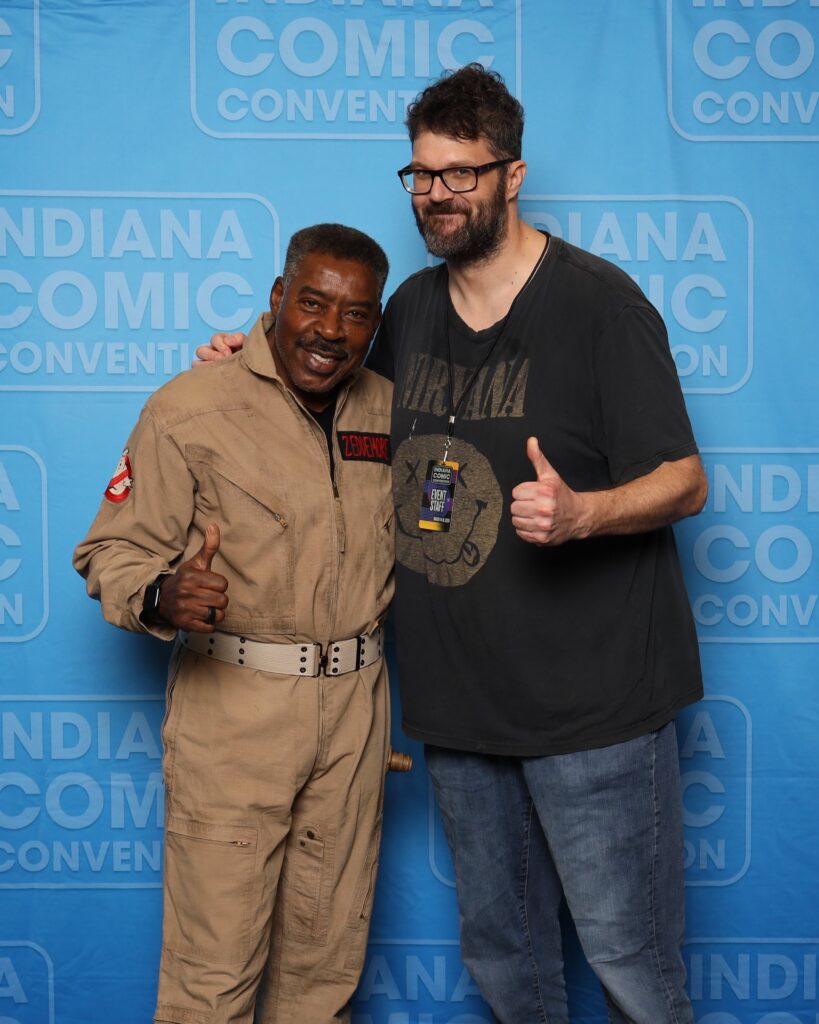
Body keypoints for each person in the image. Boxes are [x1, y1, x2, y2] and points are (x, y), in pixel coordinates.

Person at [200, 66, 708, 1024]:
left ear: (512, 176)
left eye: (461, 173)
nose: (437, 195)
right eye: (422, 174)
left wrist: (584, 515)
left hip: (593, 713)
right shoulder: (410, 314)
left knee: (630, 964)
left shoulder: (599, 305)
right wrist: (246, 365)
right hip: (462, 714)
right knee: (505, 962)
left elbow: (684, 478)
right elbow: (326, 398)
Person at [74, 224, 396, 1024]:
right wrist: (161, 594)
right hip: (236, 716)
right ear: (277, 299)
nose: (329, 330)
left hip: (355, 715)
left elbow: (444, 533)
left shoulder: (394, 413)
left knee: (323, 979)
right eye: (312, 303)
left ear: (376, 325)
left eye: (355, 314)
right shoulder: (191, 408)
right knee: (211, 980)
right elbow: (108, 551)